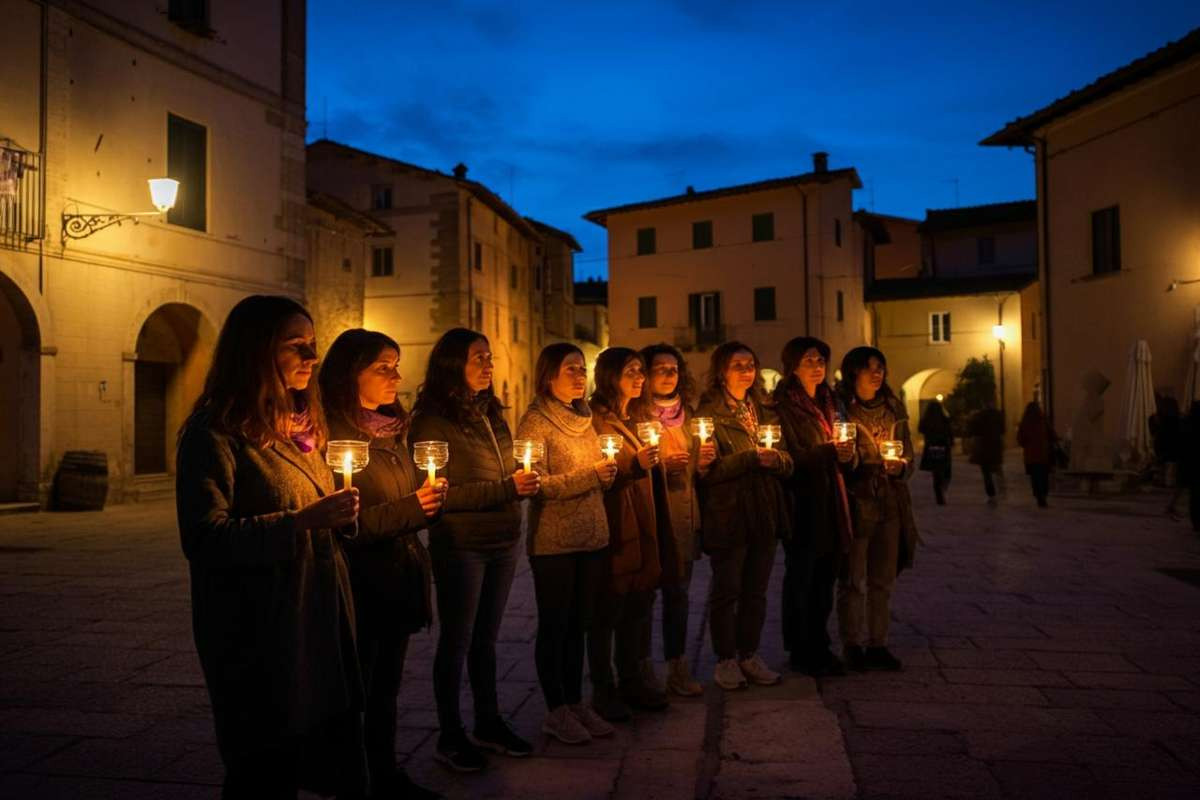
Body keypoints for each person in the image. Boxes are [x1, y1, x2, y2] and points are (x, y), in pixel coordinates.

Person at [175, 295, 365, 799]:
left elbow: (319, 510)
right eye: (295, 345)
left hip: (314, 618)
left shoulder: (297, 426)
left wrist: (339, 518)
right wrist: (300, 521)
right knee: (263, 767)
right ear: (256, 350)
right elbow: (204, 537)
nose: (312, 357)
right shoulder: (215, 431)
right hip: (260, 630)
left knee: (313, 755)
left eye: (313, 344)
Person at [319, 329, 445, 799]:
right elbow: (344, 524)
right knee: (358, 692)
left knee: (386, 691)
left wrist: (429, 501)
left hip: (398, 578)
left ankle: (386, 773)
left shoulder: (392, 432)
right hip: (361, 585)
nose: (396, 375)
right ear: (351, 373)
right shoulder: (334, 439)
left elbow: (408, 500)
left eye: (396, 364)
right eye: (382, 367)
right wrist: (415, 507)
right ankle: (357, 780)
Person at [409, 329, 539, 771]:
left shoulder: (490, 411)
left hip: (504, 539)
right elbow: (439, 495)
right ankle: (450, 734)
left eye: (489, 357)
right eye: (477, 358)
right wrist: (507, 487)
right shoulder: (432, 421)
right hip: (463, 544)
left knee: (487, 640)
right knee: (458, 640)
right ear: (452, 365)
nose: (488, 365)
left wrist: (520, 484)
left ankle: (488, 721)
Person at [516, 343, 619, 744]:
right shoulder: (535, 422)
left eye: (582, 368)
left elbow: (595, 473)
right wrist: (594, 476)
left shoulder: (585, 417)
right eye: (570, 369)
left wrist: (605, 474)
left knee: (580, 625)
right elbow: (536, 486)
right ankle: (555, 710)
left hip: (592, 534)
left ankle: (577, 703)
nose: (580, 376)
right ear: (548, 376)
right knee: (556, 626)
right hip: (554, 541)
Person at [695, 341, 794, 690]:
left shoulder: (765, 411)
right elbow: (707, 472)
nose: (746, 370)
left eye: (750, 364)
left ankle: (749, 654)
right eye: (737, 364)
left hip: (765, 512)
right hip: (728, 514)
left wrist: (777, 461)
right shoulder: (707, 415)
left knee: (757, 590)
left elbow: (786, 460)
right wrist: (752, 459)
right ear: (722, 371)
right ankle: (725, 659)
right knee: (727, 590)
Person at [588, 347, 667, 718]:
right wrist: (634, 464)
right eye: (630, 371)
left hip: (641, 520)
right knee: (609, 611)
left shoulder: (634, 417)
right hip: (616, 523)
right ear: (609, 377)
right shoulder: (594, 420)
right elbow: (600, 471)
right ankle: (604, 691)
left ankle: (632, 680)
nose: (639, 378)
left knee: (636, 605)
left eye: (640, 371)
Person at [637, 343, 716, 696]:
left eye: (674, 369)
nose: (670, 375)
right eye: (660, 369)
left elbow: (700, 472)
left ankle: (677, 667)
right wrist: (657, 468)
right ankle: (639, 670)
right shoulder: (637, 417)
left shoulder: (691, 415)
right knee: (642, 599)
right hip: (649, 520)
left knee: (679, 597)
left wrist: (702, 464)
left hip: (683, 518)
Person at [774, 337, 855, 677]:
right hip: (803, 501)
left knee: (826, 577)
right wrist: (826, 453)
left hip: (833, 500)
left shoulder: (832, 401)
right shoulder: (783, 406)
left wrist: (850, 456)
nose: (817, 365)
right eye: (809, 359)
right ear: (792, 365)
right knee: (802, 577)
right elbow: (787, 457)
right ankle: (800, 647)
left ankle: (820, 642)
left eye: (821, 358)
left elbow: (846, 446)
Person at [836, 346, 918, 673]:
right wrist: (851, 460)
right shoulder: (842, 410)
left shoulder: (894, 409)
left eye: (880, 366)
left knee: (882, 579)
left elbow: (909, 454)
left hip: (890, 501)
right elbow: (840, 456)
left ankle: (878, 643)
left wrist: (902, 467)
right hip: (858, 501)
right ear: (853, 372)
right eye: (869, 367)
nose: (877, 373)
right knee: (853, 579)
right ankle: (852, 644)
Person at [1016, 401, 1055, 508]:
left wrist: (1027, 444)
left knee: (1035, 477)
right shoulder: (1043, 420)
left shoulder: (1025, 422)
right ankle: (1044, 495)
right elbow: (1052, 434)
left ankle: (1039, 496)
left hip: (1031, 455)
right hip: (1043, 454)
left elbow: (1020, 439)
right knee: (1044, 476)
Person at [967, 400, 1006, 506]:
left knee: (986, 472)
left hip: (983, 447)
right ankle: (1001, 490)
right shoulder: (998, 415)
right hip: (996, 445)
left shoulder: (979, 416)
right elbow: (1003, 430)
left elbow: (972, 431)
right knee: (997, 467)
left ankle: (991, 495)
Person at [918, 399, 954, 505]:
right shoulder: (944, 418)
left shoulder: (926, 420)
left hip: (932, 446)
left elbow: (921, 429)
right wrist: (951, 442)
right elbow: (950, 431)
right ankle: (943, 489)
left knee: (936, 472)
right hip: (943, 446)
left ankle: (939, 496)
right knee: (946, 470)